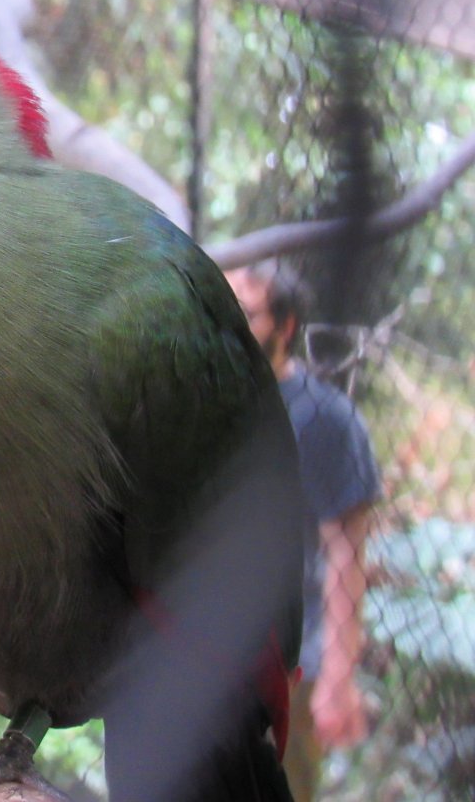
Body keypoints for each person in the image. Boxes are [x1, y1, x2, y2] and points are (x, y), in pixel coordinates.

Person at [226, 261, 382, 802]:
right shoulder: (207, 402)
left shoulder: (327, 418)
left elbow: (348, 550)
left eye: (247, 314)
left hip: (290, 663)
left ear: (285, 326)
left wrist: (337, 677)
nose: (232, 327)